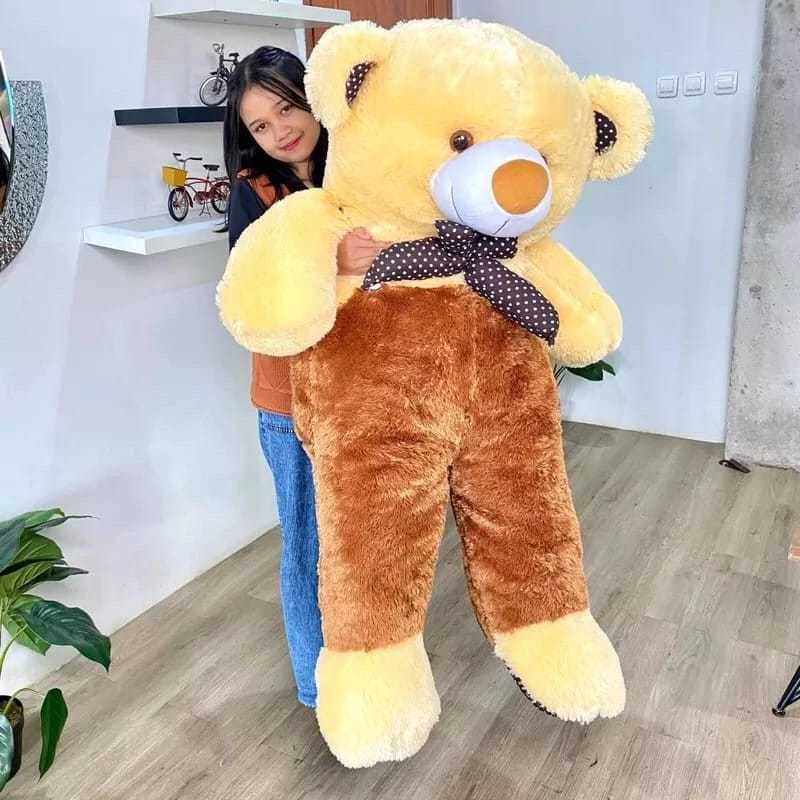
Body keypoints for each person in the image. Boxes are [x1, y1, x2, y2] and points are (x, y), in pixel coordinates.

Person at [224, 46, 388, 709]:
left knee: (363, 539)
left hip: (361, 391)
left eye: (286, 108)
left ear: (312, 96)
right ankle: (318, 691)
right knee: (305, 544)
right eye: (260, 125)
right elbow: (254, 295)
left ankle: (368, 667)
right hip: (288, 402)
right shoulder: (254, 192)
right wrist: (333, 259)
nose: (280, 131)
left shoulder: (360, 169)